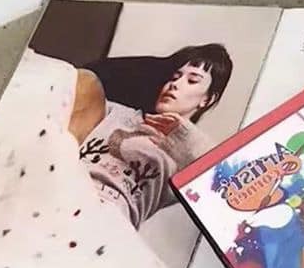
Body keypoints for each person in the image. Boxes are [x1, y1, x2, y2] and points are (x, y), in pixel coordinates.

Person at [67, 44, 233, 229]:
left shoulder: (187, 156)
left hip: (108, 221)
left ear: (207, 99)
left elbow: (228, 191)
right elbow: (88, 75)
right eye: (174, 77)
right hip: (65, 187)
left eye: (192, 81)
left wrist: (186, 134)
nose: (175, 84)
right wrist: (164, 65)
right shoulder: (116, 112)